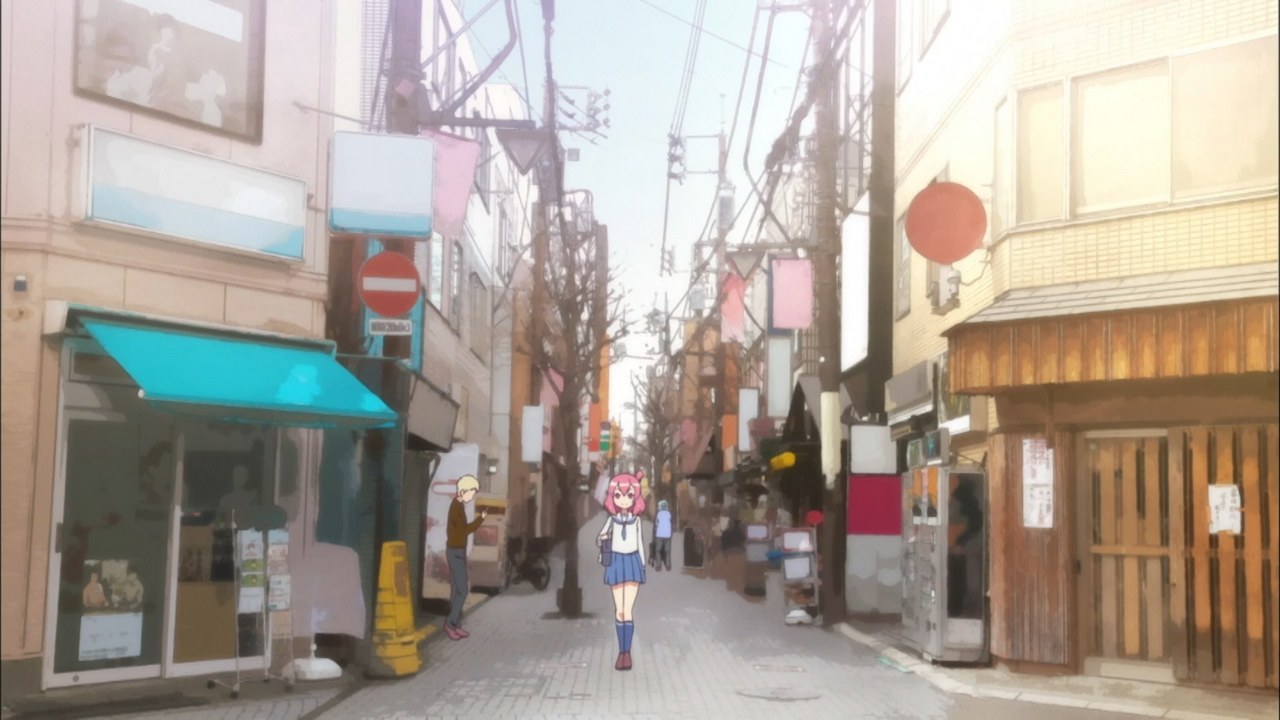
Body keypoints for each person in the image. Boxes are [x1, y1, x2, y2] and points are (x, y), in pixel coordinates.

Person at [596, 471, 647, 671]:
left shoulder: (637, 521)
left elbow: (640, 544)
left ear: (635, 497)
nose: (623, 500)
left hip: (632, 562)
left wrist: (642, 565)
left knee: (628, 611)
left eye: (628, 495)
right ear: (613, 497)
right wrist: (603, 539)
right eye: (618, 495)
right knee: (620, 610)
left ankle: (627, 653)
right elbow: (599, 538)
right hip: (616, 562)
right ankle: (621, 652)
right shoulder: (612, 520)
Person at [444, 475, 487, 640]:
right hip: (455, 551)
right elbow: (465, 530)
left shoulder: (459, 505)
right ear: (463, 491)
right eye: (472, 493)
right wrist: (480, 519)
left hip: (457, 550)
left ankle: (456, 625)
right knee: (462, 590)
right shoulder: (456, 507)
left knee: (456, 590)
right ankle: (450, 623)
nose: (472, 496)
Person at [653, 500, 673, 571]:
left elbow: (656, 524)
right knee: (667, 551)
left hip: (660, 534)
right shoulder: (669, 514)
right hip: (667, 534)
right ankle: (668, 566)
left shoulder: (659, 514)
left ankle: (658, 566)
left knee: (658, 550)